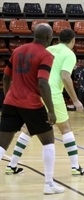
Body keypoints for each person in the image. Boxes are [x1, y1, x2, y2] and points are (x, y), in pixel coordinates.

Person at [5, 29, 84, 176]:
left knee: (29, 130)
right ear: (73, 40)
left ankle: (12, 165)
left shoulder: (48, 48)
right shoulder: (69, 54)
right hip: (52, 94)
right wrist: (75, 100)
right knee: (66, 129)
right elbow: (65, 76)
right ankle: (75, 167)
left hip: (36, 93)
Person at [0, 23, 65, 194]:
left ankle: (49, 184)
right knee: (48, 141)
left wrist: (8, 97)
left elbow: (6, 78)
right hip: (31, 104)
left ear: (34, 34)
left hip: (11, 102)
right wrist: (51, 110)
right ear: (49, 37)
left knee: (1, 146)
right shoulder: (45, 54)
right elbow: (42, 83)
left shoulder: (17, 50)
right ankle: (49, 184)